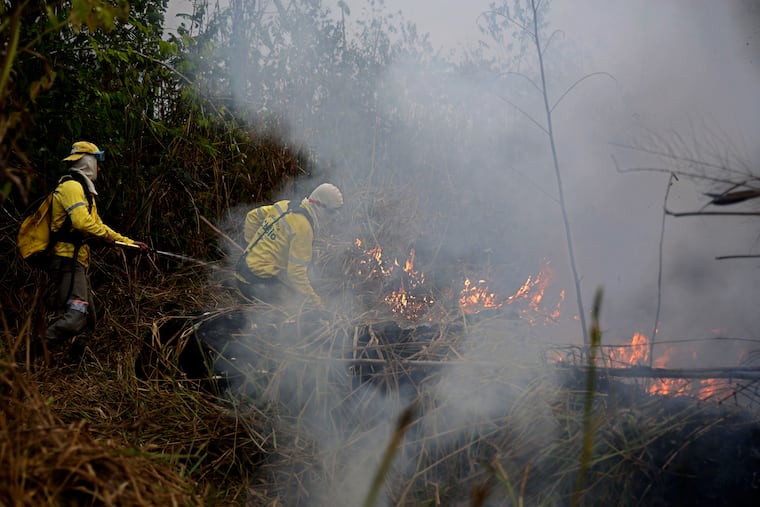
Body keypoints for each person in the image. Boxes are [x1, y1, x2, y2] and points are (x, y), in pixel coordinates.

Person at [45, 141, 149, 345]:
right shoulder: (72, 187)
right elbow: (82, 222)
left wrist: (129, 243)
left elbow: (98, 225)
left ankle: (73, 363)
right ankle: (29, 352)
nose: (99, 168)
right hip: (67, 260)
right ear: (87, 162)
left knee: (89, 319)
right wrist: (103, 236)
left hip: (77, 261)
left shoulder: (83, 191)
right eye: (97, 162)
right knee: (76, 318)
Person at [234, 183, 343, 308]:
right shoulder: (304, 228)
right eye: (331, 213)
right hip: (254, 283)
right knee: (296, 307)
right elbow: (296, 274)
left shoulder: (285, 205)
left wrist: (252, 247)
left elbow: (252, 217)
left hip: (241, 270)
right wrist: (317, 303)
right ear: (319, 205)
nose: (333, 219)